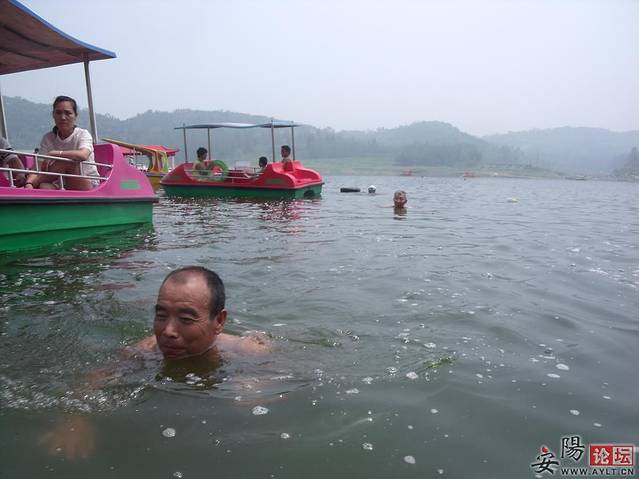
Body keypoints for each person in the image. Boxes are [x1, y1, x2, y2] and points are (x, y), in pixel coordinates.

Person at [39, 266, 270, 459]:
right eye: (161, 316)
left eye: (185, 319)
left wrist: (254, 387)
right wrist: (75, 421)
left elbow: (270, 380)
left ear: (219, 321)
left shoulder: (246, 349)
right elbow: (91, 381)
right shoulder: (144, 351)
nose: (168, 331)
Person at [25, 96, 99, 190]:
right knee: (43, 187)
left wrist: (54, 153)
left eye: (68, 113)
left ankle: (33, 183)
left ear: (75, 116)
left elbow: (83, 155)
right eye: (58, 113)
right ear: (53, 115)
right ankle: (31, 186)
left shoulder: (83, 134)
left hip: (87, 182)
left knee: (66, 161)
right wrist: (28, 183)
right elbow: (38, 166)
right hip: (61, 183)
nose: (63, 117)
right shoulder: (48, 138)